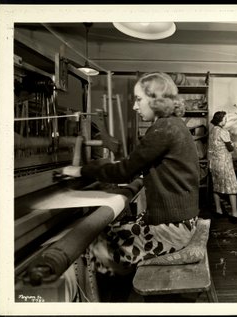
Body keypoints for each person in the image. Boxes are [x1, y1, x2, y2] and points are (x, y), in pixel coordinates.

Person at [61, 72, 200, 279]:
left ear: (156, 100)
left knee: (88, 246)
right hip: (180, 222)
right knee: (110, 230)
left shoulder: (162, 129)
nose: (135, 107)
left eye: (138, 99)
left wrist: (80, 170)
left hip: (172, 229)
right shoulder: (174, 125)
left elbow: (124, 171)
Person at [208, 111, 237, 223]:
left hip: (214, 162)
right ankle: (235, 214)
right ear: (221, 120)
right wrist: (233, 144)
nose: (226, 120)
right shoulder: (223, 131)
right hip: (224, 163)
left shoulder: (213, 131)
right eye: (225, 118)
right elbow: (230, 148)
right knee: (232, 187)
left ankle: (218, 210)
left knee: (216, 185)